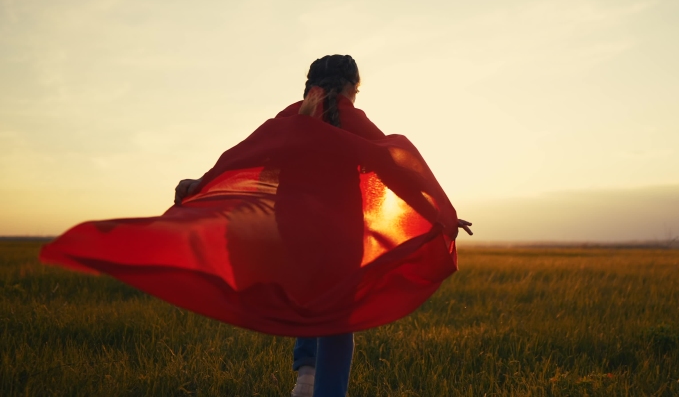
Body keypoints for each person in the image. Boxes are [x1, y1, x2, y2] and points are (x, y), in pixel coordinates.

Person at [43, 54, 472, 397]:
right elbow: (394, 165)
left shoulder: (290, 117)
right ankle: (324, 392)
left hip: (289, 235)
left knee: (306, 303)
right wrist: (441, 216)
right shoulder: (349, 117)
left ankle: (304, 377)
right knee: (338, 317)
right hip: (337, 237)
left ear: (308, 83)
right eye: (356, 91)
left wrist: (203, 182)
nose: (356, 98)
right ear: (349, 87)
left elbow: (242, 155)